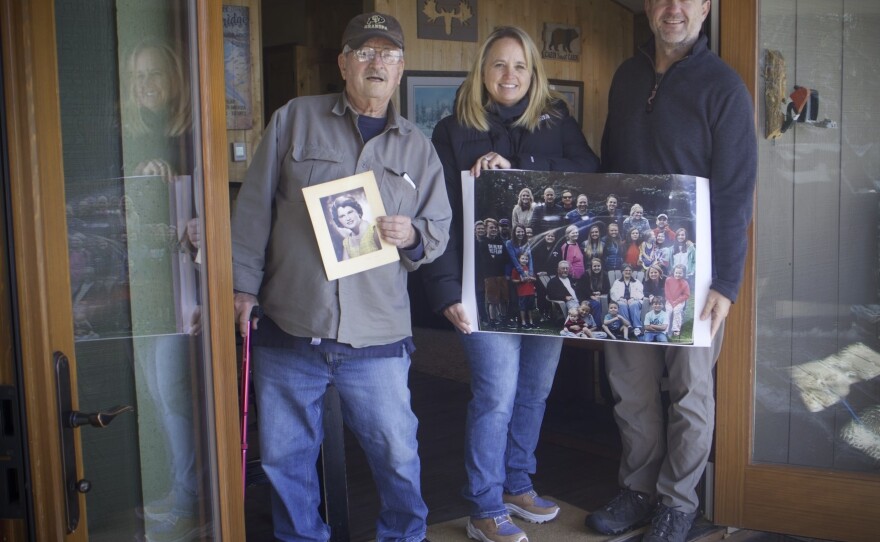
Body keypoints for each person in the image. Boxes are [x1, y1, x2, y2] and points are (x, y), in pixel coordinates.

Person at [231, 12, 451, 542]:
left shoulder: (416, 147)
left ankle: (403, 536)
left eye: (389, 56)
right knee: (287, 461)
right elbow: (253, 211)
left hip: (377, 337)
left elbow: (437, 229)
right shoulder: (293, 120)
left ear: (401, 71)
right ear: (343, 64)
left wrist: (413, 236)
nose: (377, 63)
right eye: (365, 52)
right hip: (290, 326)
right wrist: (242, 287)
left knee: (398, 454)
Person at [585, 1, 757, 541]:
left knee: (689, 392)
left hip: (694, 275)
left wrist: (727, 282)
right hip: (628, 269)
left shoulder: (724, 88)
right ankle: (638, 489)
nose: (673, 8)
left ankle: (678, 503)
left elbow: (735, 194)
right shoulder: (626, 77)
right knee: (629, 386)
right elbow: (608, 168)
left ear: (705, 8)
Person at [419, 24, 599, 542]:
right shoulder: (453, 130)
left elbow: (588, 171)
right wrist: (446, 291)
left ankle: (518, 482)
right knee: (496, 393)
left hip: (546, 285)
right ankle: (483, 503)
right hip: (484, 287)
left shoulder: (557, 120)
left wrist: (518, 167)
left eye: (520, 65)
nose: (509, 75)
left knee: (535, 390)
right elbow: (438, 217)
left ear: (534, 73)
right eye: (499, 64)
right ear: (483, 72)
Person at [332, 195, 381, 260]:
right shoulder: (346, 243)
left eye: (350, 212)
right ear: (338, 220)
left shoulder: (374, 230)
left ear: (358, 212)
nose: (348, 218)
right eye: (342, 216)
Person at [609, 264, 644, 336]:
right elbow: (613, 293)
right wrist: (620, 298)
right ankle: (628, 326)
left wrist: (633, 298)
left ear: (632, 272)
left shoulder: (637, 282)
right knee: (621, 304)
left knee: (633, 304)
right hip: (622, 301)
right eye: (626, 270)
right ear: (622, 272)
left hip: (635, 301)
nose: (628, 272)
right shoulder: (617, 282)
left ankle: (637, 327)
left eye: (629, 270)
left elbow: (640, 293)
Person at [511, 253, 538, 329]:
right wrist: (520, 280)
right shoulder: (516, 269)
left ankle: (531, 321)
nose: (524, 260)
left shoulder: (530, 268)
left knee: (530, 307)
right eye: (522, 258)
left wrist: (532, 279)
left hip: (531, 291)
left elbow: (535, 278)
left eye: (526, 259)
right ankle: (523, 322)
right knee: (522, 307)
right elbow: (513, 280)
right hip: (522, 292)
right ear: (518, 259)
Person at [664, 264, 691, 338]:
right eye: (676, 273)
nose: (678, 275)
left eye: (680, 273)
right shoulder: (668, 280)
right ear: (673, 272)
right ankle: (665, 329)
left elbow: (686, 295)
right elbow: (667, 292)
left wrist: (676, 302)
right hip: (669, 300)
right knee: (668, 311)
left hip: (679, 301)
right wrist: (671, 301)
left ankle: (676, 329)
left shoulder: (685, 283)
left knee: (676, 311)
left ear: (683, 274)